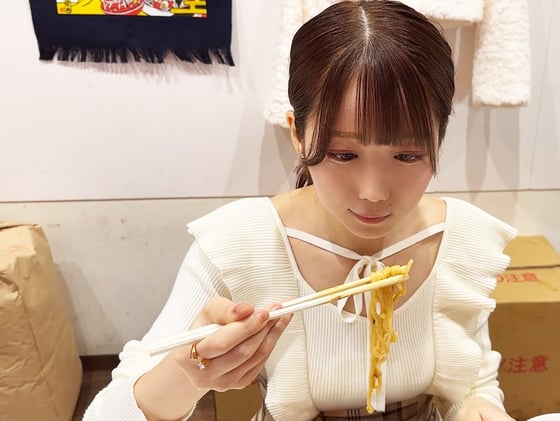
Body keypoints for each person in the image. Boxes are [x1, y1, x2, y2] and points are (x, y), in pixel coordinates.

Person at [84, 1, 518, 420]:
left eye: (407, 156)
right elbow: (105, 415)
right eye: (342, 154)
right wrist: (187, 374)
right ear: (297, 133)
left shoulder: (460, 239)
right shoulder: (241, 243)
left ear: (438, 137)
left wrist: (477, 406)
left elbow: (474, 383)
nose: (373, 193)